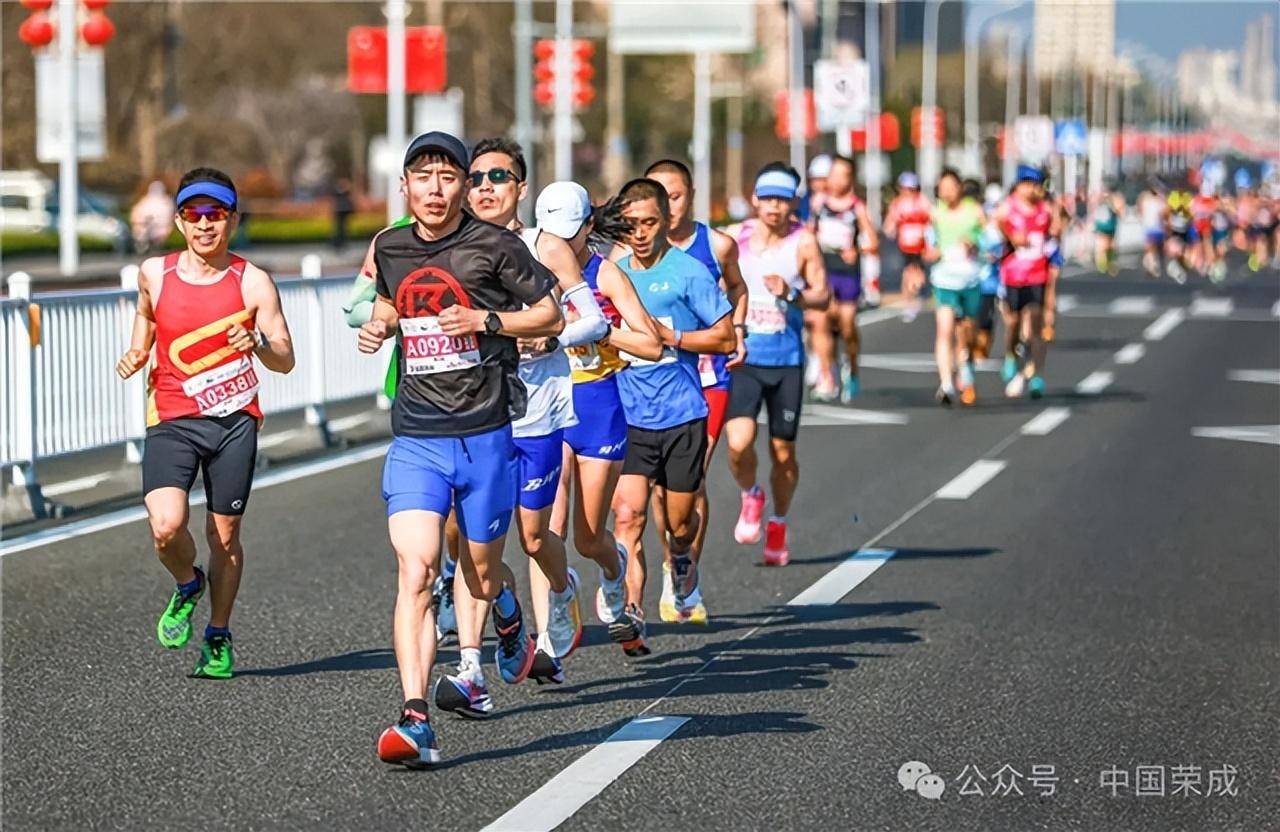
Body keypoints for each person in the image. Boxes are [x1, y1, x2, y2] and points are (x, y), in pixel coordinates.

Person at [360, 131, 564, 767]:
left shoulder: (495, 246)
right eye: (422, 176)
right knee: (417, 570)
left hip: (485, 434)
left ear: (461, 186)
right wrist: (382, 321)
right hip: (417, 435)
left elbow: (551, 314)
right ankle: (415, 717)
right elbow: (396, 298)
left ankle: (506, 611)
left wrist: (487, 321)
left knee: (479, 568)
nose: (435, 188)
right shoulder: (390, 246)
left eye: (448, 177)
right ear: (405, 186)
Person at [431, 138, 602, 716]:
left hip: (539, 409)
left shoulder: (546, 246)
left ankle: (561, 588)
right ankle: (471, 667)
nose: (484, 187)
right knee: (475, 538)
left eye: (498, 177)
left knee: (531, 538)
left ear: (520, 188)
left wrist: (550, 336)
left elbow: (594, 318)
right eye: (475, 178)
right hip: (475, 411)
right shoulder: (452, 248)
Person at [115, 168, 296, 680]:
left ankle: (217, 634)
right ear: (178, 221)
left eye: (214, 214)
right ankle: (188, 583)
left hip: (233, 421)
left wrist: (258, 346)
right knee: (166, 526)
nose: (204, 224)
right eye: (193, 215)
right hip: (173, 417)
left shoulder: (253, 281)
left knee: (224, 536)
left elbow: (285, 358)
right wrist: (137, 349)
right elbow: (148, 316)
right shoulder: (154, 273)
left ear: (232, 220)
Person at [607, 177, 735, 652]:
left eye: (649, 223)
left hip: (682, 416)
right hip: (630, 416)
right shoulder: (610, 274)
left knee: (678, 526)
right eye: (631, 224)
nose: (639, 233)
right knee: (629, 516)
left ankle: (681, 559)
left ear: (666, 221)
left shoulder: (688, 272)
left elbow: (726, 339)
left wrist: (672, 337)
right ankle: (633, 613)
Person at [546, 183, 666, 641]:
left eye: (570, 233)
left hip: (598, 407)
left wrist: (599, 333)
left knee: (588, 538)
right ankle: (555, 617)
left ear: (589, 228)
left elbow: (651, 345)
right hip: (549, 407)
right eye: (553, 233)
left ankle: (613, 573)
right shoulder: (528, 271)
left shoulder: (606, 274)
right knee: (543, 531)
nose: (561, 243)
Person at [642, 159, 747, 623]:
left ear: (690, 195)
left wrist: (737, 329)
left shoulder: (717, 244)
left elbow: (738, 289)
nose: (669, 207)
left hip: (706, 378)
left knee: (693, 477)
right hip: (650, 383)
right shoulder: (632, 250)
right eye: (659, 197)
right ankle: (672, 559)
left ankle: (683, 573)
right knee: (657, 491)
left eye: (677, 196)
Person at [724, 164, 828, 565]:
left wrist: (794, 292)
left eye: (783, 200)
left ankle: (779, 522)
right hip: (745, 357)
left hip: (786, 361)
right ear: (754, 198)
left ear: (794, 203)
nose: (774, 207)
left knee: (783, 452)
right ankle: (751, 495)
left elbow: (823, 296)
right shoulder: (736, 237)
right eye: (767, 198)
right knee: (737, 444)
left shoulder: (804, 243)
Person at [808, 155, 878, 401]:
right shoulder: (819, 203)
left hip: (848, 273)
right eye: (834, 174)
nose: (838, 180)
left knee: (847, 325)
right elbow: (808, 234)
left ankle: (853, 365)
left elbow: (873, 242)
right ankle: (826, 373)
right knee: (821, 321)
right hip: (824, 271)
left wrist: (856, 250)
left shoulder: (857, 207)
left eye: (843, 175)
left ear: (850, 178)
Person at [924, 169, 985, 406]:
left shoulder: (974, 211)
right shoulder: (935, 214)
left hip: (970, 278)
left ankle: (966, 360)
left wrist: (975, 243)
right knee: (945, 329)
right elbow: (927, 247)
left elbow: (991, 240)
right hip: (944, 279)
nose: (947, 192)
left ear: (960, 187)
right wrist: (933, 253)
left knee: (967, 330)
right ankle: (946, 383)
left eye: (951, 186)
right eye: (942, 188)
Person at [996, 165, 1055, 399]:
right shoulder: (1007, 209)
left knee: (1034, 326)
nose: (1031, 189)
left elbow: (1053, 236)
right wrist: (1010, 236)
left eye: (1035, 184)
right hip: (1012, 276)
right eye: (1027, 183)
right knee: (1012, 322)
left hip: (1037, 275)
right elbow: (997, 228)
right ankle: (1011, 355)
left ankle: (1036, 373)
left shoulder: (1045, 211)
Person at [883, 171, 932, 324]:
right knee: (909, 271)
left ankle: (915, 294)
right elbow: (889, 224)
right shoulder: (897, 204)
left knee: (917, 272)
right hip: (905, 244)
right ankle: (909, 301)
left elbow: (933, 219)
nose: (907, 192)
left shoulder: (922, 202)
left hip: (921, 244)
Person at [130, 181, 174, 254]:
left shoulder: (167, 202)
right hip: (145, 227)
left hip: (160, 229)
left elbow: (170, 219)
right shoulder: (145, 201)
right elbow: (136, 215)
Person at [1092, 182, 1124, 276]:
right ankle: (1103, 265)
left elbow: (1119, 212)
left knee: (1110, 245)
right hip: (1104, 225)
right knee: (1104, 245)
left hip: (1110, 225)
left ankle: (1108, 263)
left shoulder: (1115, 199)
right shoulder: (1104, 198)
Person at [1138, 181, 1168, 278]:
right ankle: (1153, 265)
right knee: (1153, 248)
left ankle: (1153, 265)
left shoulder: (1146, 199)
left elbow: (1140, 211)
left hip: (1151, 227)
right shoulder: (1160, 200)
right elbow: (1165, 214)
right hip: (1156, 228)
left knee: (1151, 249)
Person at [331, 178, 355, 251]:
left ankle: (341, 243)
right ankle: (338, 243)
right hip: (340, 212)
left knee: (343, 228)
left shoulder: (345, 192)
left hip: (343, 212)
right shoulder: (339, 193)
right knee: (339, 228)